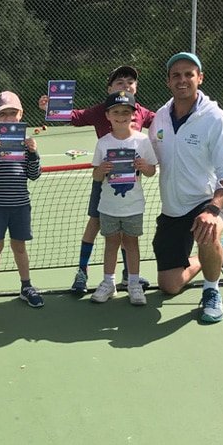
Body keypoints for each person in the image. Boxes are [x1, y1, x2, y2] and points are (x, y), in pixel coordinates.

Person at [38, 65, 155, 293]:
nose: (126, 85)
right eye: (120, 82)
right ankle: (82, 272)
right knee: (95, 223)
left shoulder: (140, 112)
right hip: (104, 181)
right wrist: (50, 107)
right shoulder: (102, 110)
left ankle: (128, 274)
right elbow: (74, 116)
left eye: (130, 82)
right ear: (109, 88)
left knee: (126, 230)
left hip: (130, 186)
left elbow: (164, 123)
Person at [149, 52, 223, 323]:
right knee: (169, 284)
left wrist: (214, 209)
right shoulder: (161, 118)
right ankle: (219, 252)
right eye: (176, 75)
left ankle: (212, 291)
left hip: (206, 201)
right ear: (168, 81)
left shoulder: (216, 118)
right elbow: (152, 158)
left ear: (199, 78)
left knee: (206, 230)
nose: (182, 80)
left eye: (189, 74)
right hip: (172, 208)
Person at [87, 91, 157, 306]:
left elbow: (151, 171)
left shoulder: (142, 141)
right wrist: (103, 169)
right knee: (111, 244)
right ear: (108, 115)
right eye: (116, 112)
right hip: (108, 206)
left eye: (126, 112)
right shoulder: (103, 142)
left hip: (133, 206)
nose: (121, 116)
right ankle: (109, 283)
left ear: (133, 115)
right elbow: (96, 176)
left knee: (131, 244)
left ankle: (134, 283)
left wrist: (144, 167)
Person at [0, 91, 44, 310]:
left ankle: (26, 286)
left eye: (12, 113)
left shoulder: (26, 143)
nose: (8, 118)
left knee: (19, 247)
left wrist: (33, 153)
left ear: (20, 114)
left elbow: (34, 174)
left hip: (20, 205)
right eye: (2, 114)